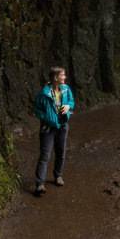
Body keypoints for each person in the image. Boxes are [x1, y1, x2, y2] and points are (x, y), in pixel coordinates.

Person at [32, 66, 74, 196]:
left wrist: (68, 106)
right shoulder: (44, 93)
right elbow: (36, 110)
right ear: (56, 78)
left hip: (62, 126)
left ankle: (58, 176)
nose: (65, 77)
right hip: (48, 128)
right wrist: (47, 118)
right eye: (63, 75)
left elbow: (71, 102)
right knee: (45, 155)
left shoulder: (66, 90)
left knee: (60, 153)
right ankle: (39, 184)